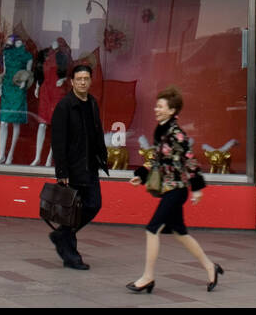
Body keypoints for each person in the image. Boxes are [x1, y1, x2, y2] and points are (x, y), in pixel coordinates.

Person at [126, 87, 223, 293]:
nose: (156, 109)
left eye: (160, 106)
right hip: (170, 189)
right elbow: (156, 158)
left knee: (152, 229)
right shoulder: (161, 130)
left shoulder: (176, 134)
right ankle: (210, 267)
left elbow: (190, 160)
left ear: (172, 110)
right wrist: (141, 176)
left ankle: (148, 277)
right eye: (156, 105)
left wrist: (197, 188)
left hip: (177, 191)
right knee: (180, 233)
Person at [49, 63, 108, 269]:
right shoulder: (65, 106)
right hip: (73, 168)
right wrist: (62, 171)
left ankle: (61, 235)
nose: (83, 82)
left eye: (86, 78)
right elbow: (58, 141)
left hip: (89, 165)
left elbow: (97, 132)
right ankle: (71, 256)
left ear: (90, 81)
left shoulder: (92, 102)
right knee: (73, 209)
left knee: (94, 204)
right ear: (72, 82)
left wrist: (103, 156)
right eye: (79, 79)